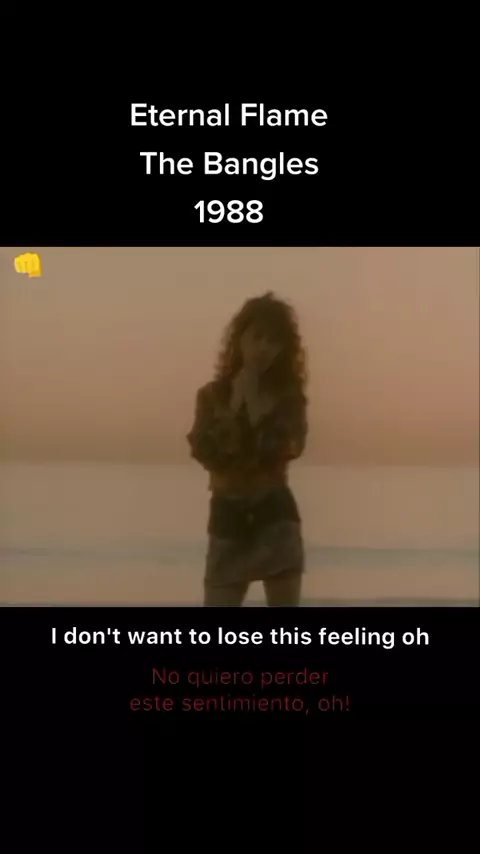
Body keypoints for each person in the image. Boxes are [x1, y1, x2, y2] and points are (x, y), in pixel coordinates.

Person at [187, 291, 308, 606]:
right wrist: (233, 408)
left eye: (274, 341)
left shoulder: (288, 398)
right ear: (239, 339)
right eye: (257, 337)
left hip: (275, 518)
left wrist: (254, 404)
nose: (264, 348)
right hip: (228, 520)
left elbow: (290, 447)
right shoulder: (211, 396)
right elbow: (205, 453)